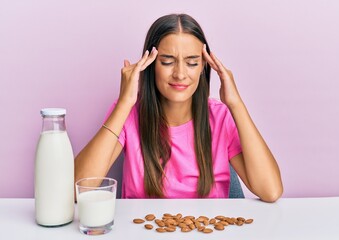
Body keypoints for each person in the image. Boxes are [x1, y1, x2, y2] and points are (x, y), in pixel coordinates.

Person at [75, 13, 283, 202]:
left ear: (203, 67)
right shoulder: (128, 113)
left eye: (192, 63)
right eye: (167, 62)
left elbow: (271, 191)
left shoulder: (219, 117)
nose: (180, 74)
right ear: (150, 65)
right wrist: (124, 103)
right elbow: (76, 192)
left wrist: (235, 104)